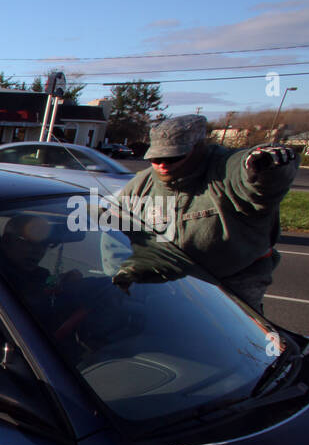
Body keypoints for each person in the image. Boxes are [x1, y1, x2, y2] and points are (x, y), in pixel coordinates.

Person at [110, 114, 298, 314]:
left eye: (173, 157)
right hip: (169, 280)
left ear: (198, 148)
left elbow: (255, 180)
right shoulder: (140, 187)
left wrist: (266, 167)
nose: (162, 165)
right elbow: (116, 232)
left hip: (233, 284)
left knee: (228, 338)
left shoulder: (224, 172)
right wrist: (122, 271)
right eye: (156, 159)